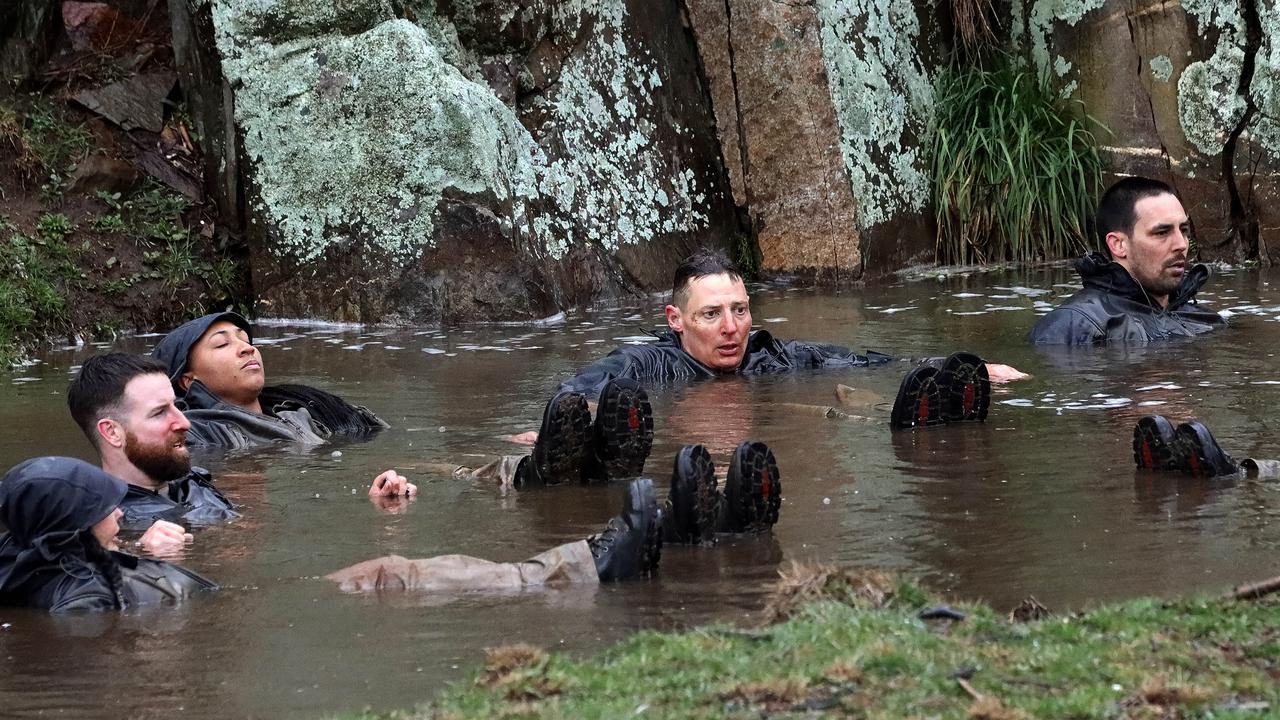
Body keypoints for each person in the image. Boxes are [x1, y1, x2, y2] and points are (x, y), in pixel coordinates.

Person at [516, 248, 1025, 485]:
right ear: (676, 320)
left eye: (739, 310)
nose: (731, 327)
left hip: (794, 412)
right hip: (670, 454)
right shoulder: (650, 363)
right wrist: (563, 417)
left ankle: (937, 408)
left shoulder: (769, 355)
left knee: (855, 394)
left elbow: (858, 359)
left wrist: (956, 365)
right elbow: (582, 387)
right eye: (711, 315)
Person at [68, 353, 415, 531]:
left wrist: (379, 506)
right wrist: (142, 560)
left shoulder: (195, 484)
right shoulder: (98, 523)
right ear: (111, 432)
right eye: (160, 413)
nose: (184, 421)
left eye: (176, 405)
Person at [328, 477, 663, 591]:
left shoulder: (302, 412)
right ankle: (590, 564)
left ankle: (672, 529)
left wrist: (376, 502)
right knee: (387, 574)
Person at [0, 457, 217, 612]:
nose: (119, 513)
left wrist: (138, 550)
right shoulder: (89, 599)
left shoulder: (17, 562)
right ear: (76, 525)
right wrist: (155, 562)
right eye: (105, 507)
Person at [1029, 176, 1227, 345]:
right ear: (1118, 245)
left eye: (1183, 230)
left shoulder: (1204, 318)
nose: (1181, 244)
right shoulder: (1075, 324)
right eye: (1162, 232)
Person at [149, 312, 389, 449]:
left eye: (245, 340)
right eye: (222, 344)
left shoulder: (303, 407)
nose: (246, 349)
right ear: (188, 381)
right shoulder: (196, 436)